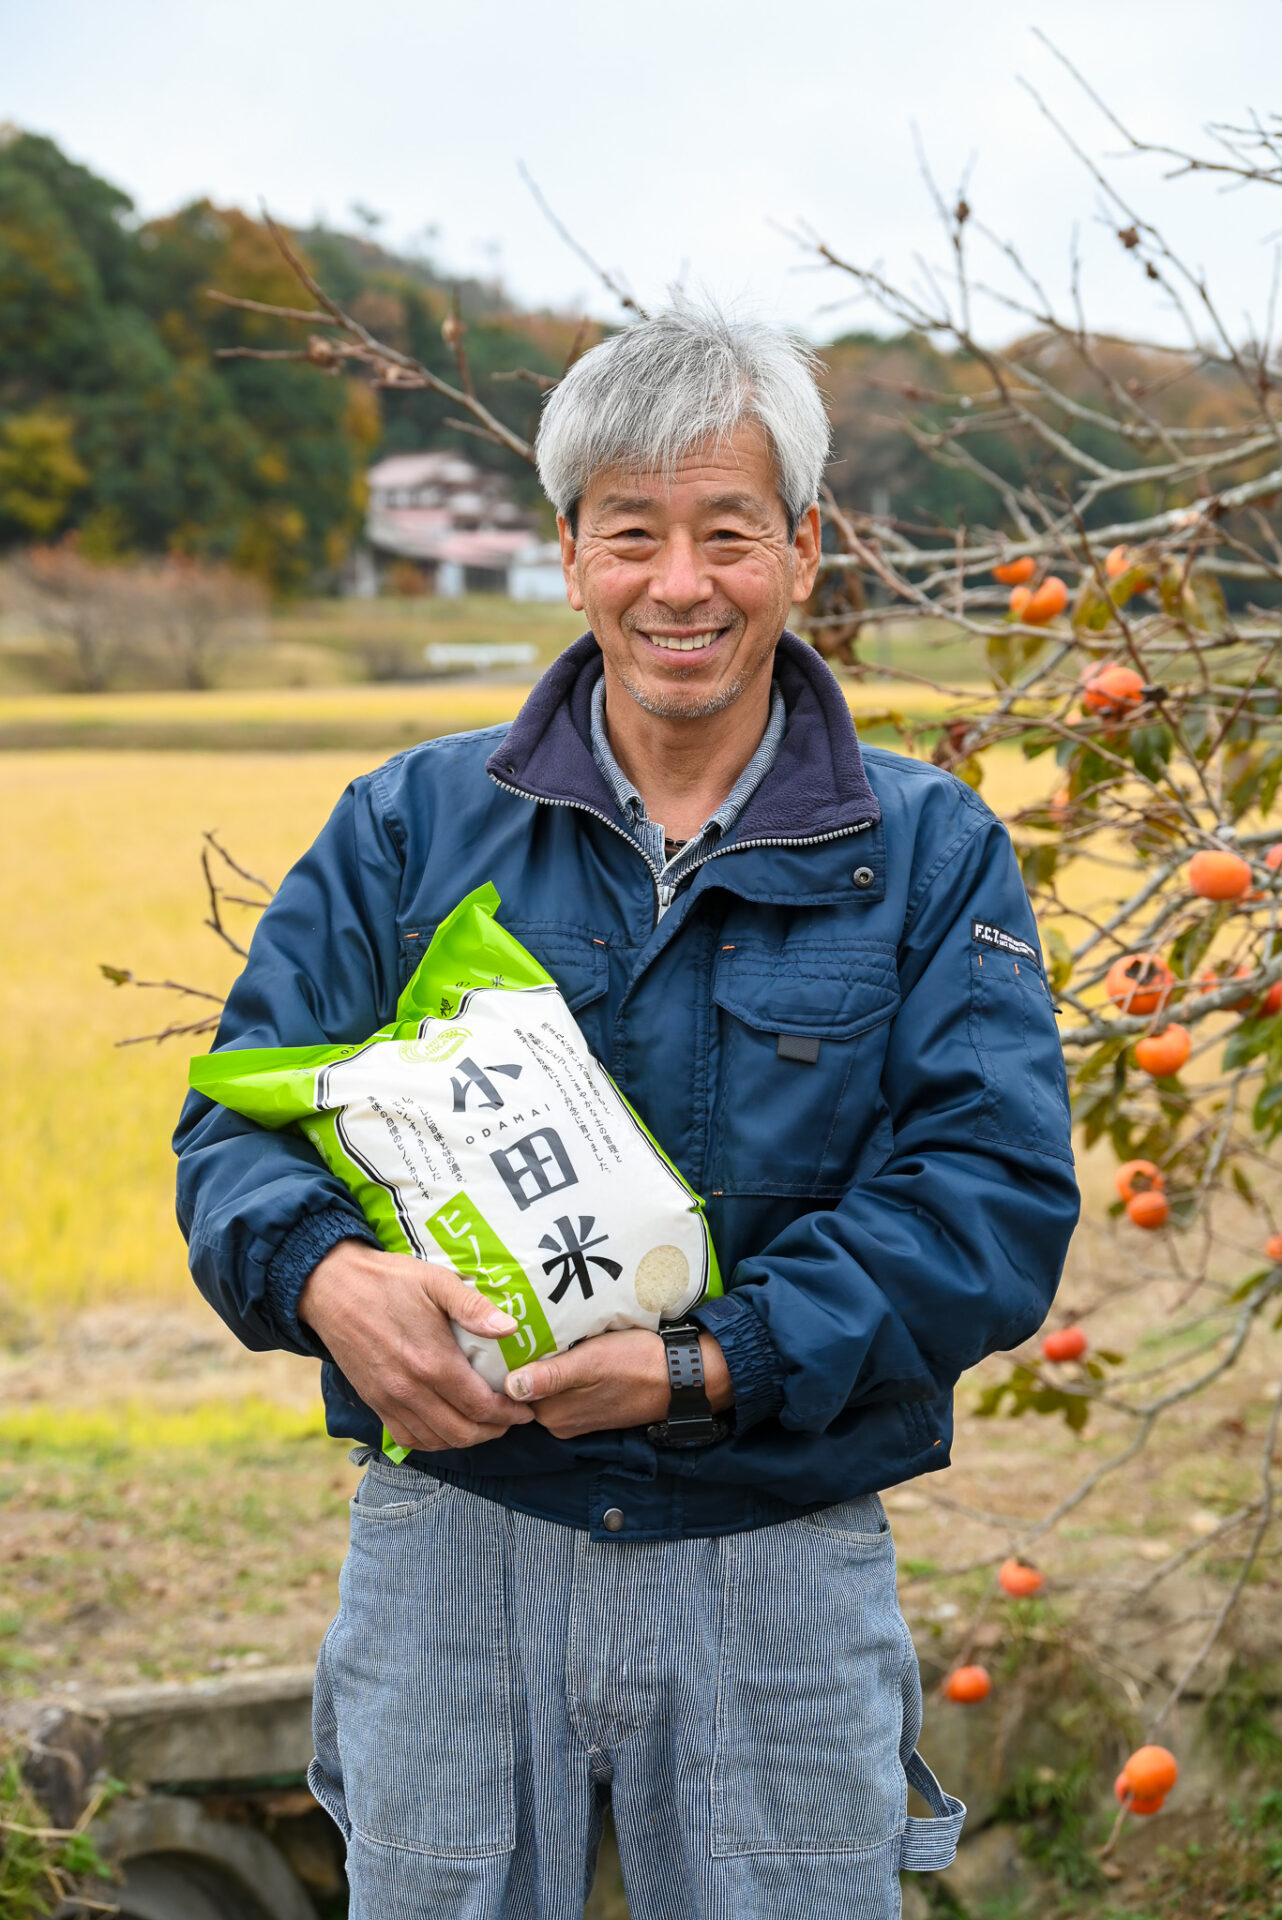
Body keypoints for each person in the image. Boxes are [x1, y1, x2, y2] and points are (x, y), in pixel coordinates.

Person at [175, 304, 1078, 1920]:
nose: (680, 584)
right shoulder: (405, 824)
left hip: (776, 1543)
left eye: (727, 532)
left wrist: (700, 1365)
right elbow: (231, 1134)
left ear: (803, 547)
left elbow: (987, 1199)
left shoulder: (931, 854)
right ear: (572, 551)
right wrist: (323, 1275)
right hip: (455, 1529)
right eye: (631, 534)